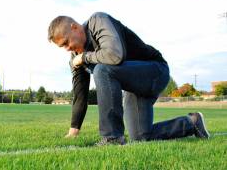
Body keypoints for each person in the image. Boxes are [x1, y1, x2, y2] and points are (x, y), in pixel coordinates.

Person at [48, 12, 210, 145]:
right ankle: (192, 123)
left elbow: (115, 55)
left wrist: (85, 57)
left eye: (66, 42)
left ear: (75, 27)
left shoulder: (98, 21)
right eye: (62, 46)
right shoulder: (76, 56)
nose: (67, 48)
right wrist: (73, 130)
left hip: (155, 70)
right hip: (134, 86)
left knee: (102, 69)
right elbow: (80, 93)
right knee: (140, 136)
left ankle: (112, 138)